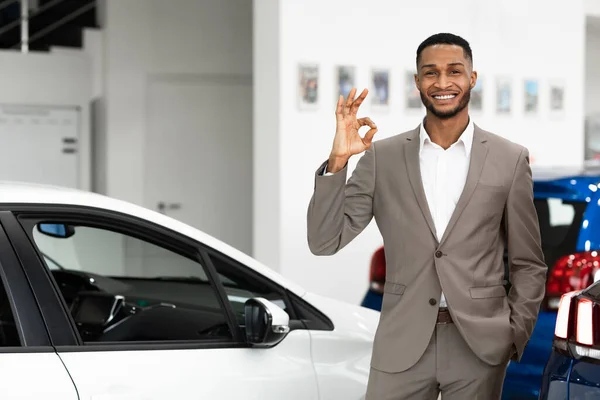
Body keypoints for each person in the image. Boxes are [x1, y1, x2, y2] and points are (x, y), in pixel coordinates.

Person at [306, 33, 547, 400]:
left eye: (455, 71)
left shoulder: (509, 159)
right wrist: (339, 161)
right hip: (400, 343)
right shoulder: (381, 157)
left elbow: (528, 263)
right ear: (417, 82)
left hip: (479, 348)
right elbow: (324, 242)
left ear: (472, 78)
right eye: (430, 73)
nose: (443, 82)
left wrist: (513, 334)